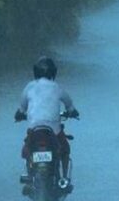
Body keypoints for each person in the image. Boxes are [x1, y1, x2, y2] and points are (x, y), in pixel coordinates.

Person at [15, 56, 79, 184]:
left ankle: (28, 174)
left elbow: (21, 108)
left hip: (34, 129)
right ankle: (64, 178)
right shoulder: (57, 87)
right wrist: (72, 112)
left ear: (36, 72)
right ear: (53, 72)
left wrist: (19, 115)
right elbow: (69, 105)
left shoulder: (29, 87)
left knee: (27, 148)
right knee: (65, 149)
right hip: (53, 130)